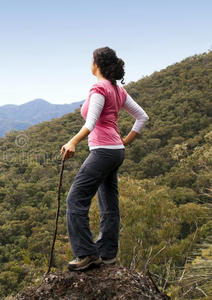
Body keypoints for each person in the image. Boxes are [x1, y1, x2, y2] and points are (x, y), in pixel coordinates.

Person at [60, 46, 149, 271]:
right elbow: (142, 117)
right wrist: (124, 142)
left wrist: (72, 142)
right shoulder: (118, 90)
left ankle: (87, 254)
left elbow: (90, 124)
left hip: (102, 151)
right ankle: (107, 254)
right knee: (109, 202)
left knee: (75, 200)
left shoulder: (99, 88)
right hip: (116, 152)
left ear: (97, 65)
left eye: (91, 61)